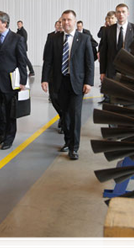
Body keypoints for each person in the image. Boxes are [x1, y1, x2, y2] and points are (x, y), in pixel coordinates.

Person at [41, 10, 94, 160]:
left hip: (77, 83)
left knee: (75, 116)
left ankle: (74, 147)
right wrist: (44, 79)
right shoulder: (53, 38)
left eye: (69, 20)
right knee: (65, 115)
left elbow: (89, 63)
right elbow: (48, 61)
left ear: (75, 21)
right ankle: (67, 141)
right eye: (63, 20)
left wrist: (88, 82)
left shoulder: (84, 39)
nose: (66, 23)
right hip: (59, 82)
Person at [0, 11, 28, 150]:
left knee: (10, 111)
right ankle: (2, 131)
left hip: (9, 81)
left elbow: (22, 61)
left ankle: (8, 138)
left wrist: (23, 82)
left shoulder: (16, 38)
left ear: (4, 23)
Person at [99, 3, 134, 84]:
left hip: (130, 71)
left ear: (128, 13)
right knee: (111, 95)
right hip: (112, 71)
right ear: (116, 14)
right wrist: (102, 72)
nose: (121, 14)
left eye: (123, 12)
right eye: (118, 12)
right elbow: (103, 52)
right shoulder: (108, 31)